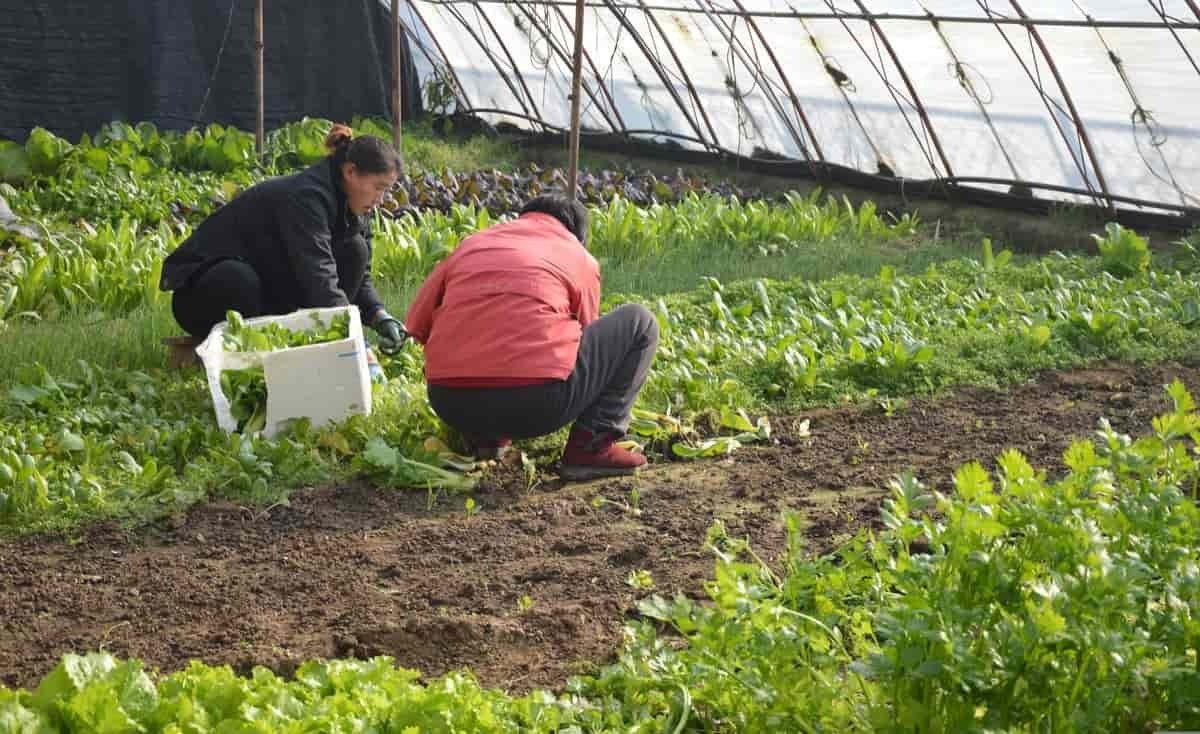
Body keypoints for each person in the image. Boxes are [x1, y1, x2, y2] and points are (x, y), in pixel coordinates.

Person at [399, 194, 659, 481]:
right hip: (539, 406)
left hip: (451, 402)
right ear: (578, 235)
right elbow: (585, 334)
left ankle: (486, 439)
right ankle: (591, 446)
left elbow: (417, 325)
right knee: (640, 322)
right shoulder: (576, 254)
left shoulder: (471, 245)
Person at [159, 124, 408, 365]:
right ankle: (243, 355)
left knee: (356, 250)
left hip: (267, 285)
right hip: (202, 294)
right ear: (350, 172)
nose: (381, 199)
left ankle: (311, 343)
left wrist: (378, 315)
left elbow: (359, 276)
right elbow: (318, 274)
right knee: (238, 279)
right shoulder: (307, 197)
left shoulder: (355, 203)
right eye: (379, 188)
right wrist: (356, 341)